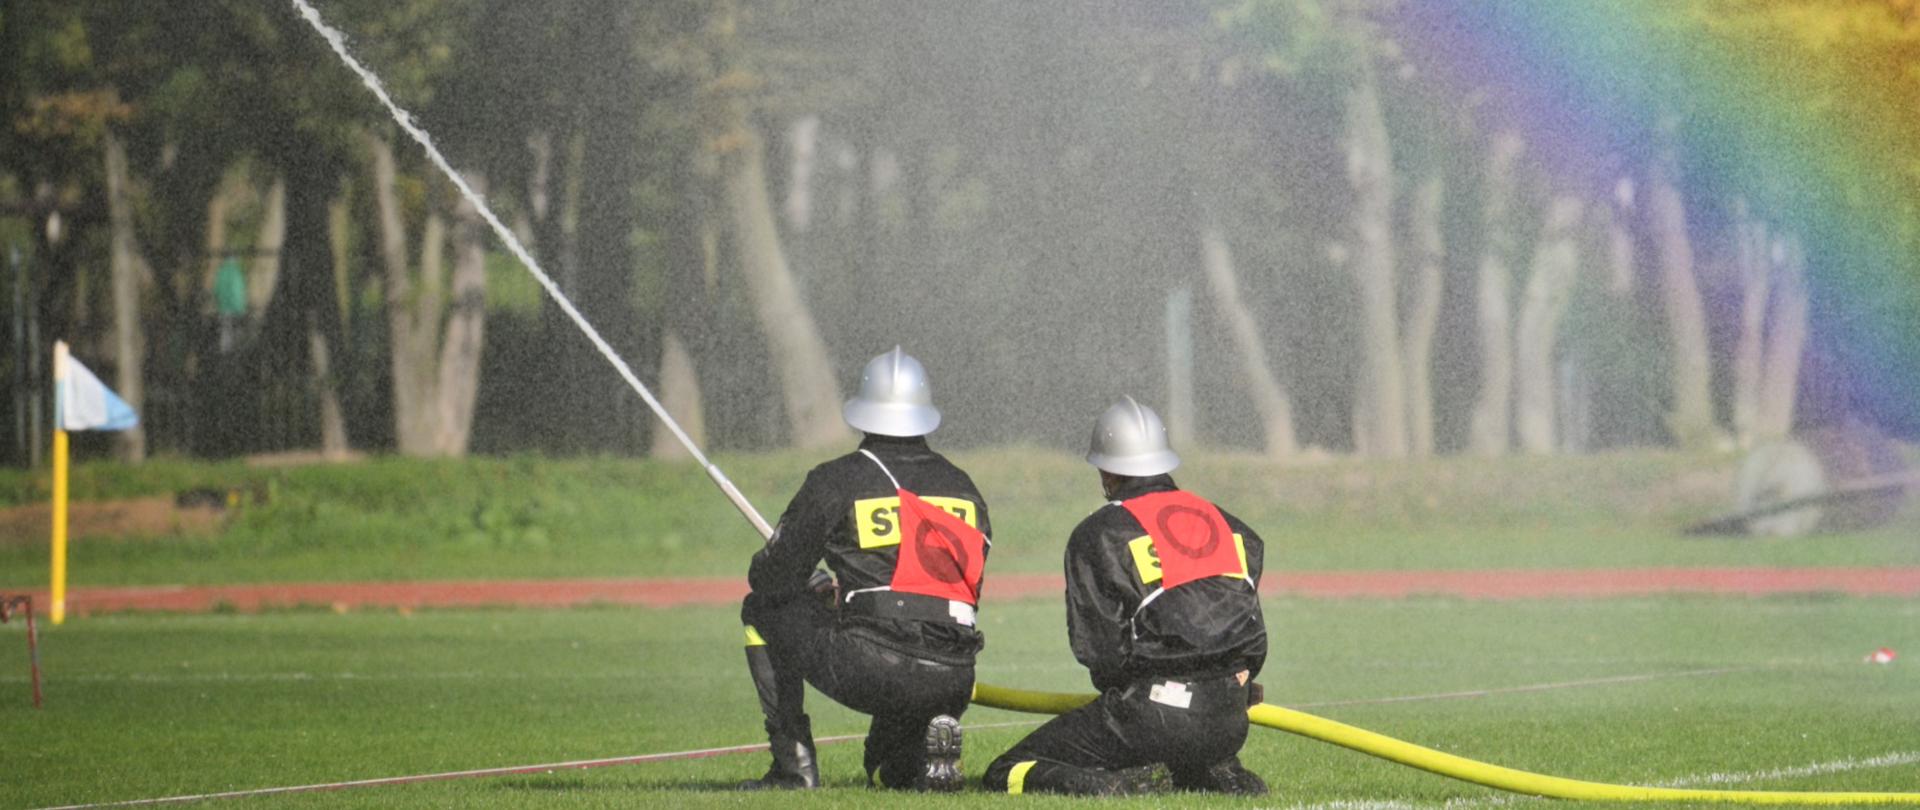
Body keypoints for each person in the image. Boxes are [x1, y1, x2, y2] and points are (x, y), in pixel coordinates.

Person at [983, 396, 1269, 796]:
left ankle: (1108, 785)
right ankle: (1211, 769)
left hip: (1153, 716)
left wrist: (1133, 700)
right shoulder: (1233, 527)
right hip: (1231, 719)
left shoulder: (1099, 534)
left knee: (1006, 771)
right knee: (1177, 748)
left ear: (1106, 471)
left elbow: (1100, 651)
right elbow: (1249, 632)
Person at [738, 347, 992, 791]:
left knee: (761, 608)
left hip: (877, 666)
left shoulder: (838, 479)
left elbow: (773, 579)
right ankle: (919, 764)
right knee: (883, 767)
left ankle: (791, 768)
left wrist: (820, 591)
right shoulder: (963, 486)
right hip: (955, 675)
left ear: (863, 412)